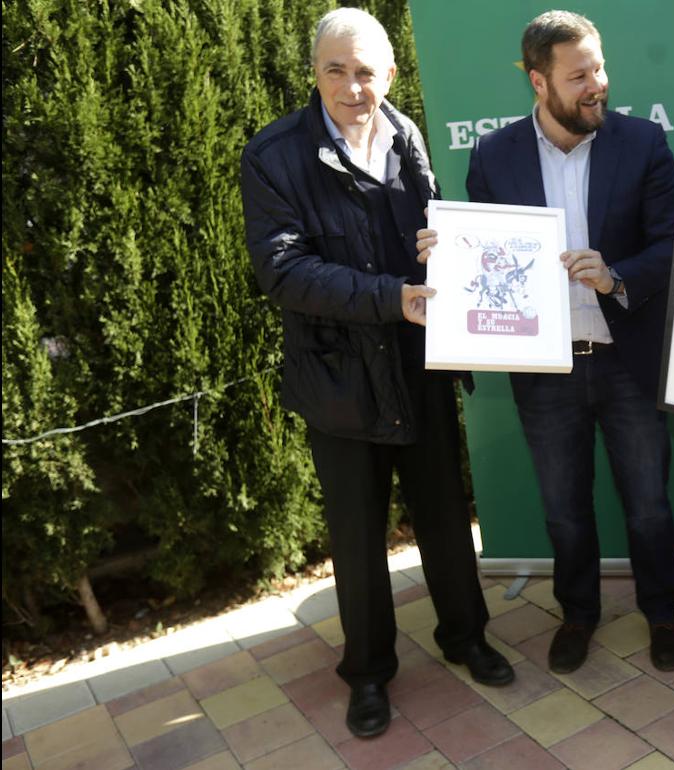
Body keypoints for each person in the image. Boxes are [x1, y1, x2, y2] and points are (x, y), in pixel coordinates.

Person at [240, 7, 513, 740]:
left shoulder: (405, 132)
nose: (353, 87)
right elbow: (284, 270)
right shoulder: (274, 154)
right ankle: (367, 674)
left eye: (366, 72)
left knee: (446, 521)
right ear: (315, 73)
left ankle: (466, 637)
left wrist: (441, 249)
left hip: (419, 365)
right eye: (337, 70)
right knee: (357, 539)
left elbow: (428, 235)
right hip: (339, 380)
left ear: (389, 73)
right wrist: (393, 298)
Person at [432, 9, 674, 675]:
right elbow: (484, 262)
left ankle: (662, 611)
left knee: (650, 506)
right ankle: (579, 614)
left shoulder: (643, 143)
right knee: (565, 513)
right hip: (545, 371)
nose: (597, 84)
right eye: (579, 75)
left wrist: (617, 275)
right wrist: (448, 257)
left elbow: (672, 244)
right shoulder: (495, 157)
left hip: (627, 360)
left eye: (600, 68)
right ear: (538, 82)